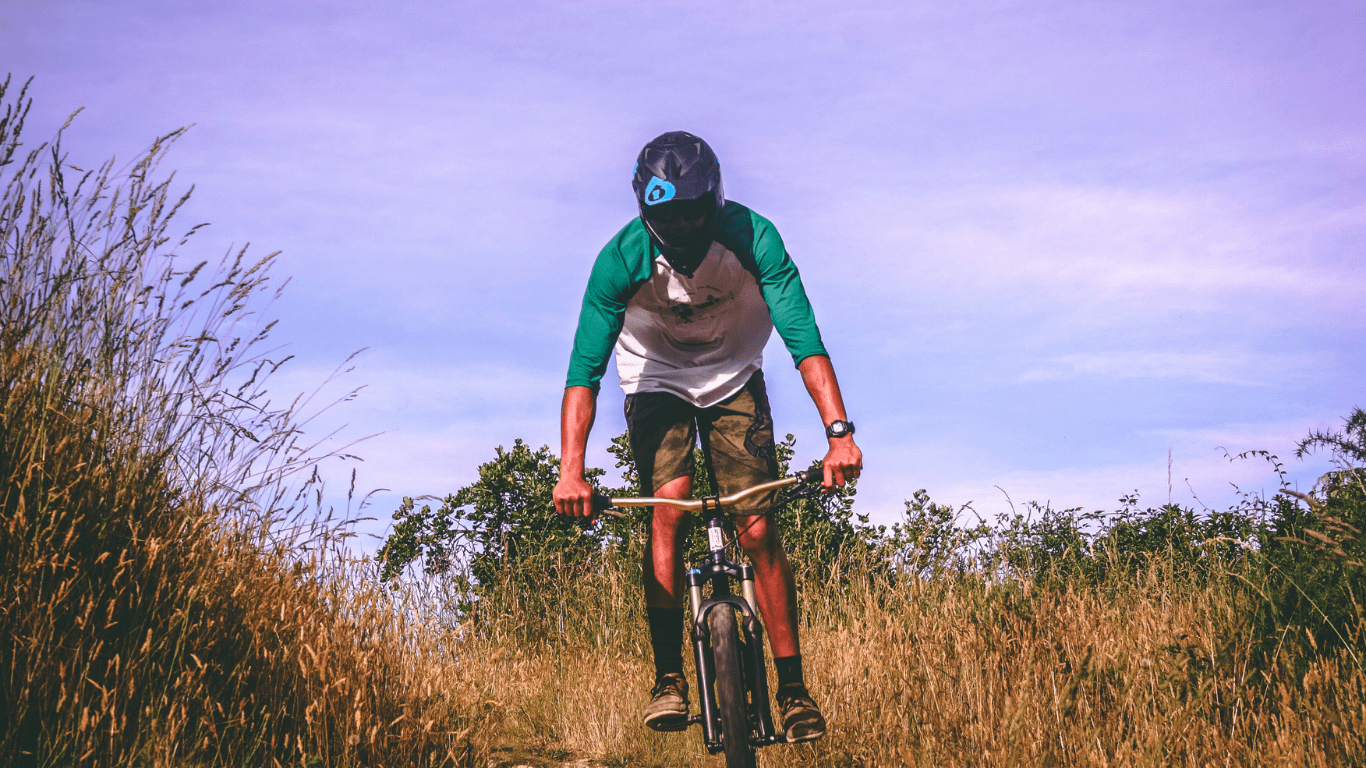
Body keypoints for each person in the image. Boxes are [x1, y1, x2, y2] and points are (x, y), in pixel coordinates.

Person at [553, 131, 862, 743]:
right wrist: (571, 471)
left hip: (733, 375)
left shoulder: (753, 238)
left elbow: (804, 337)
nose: (684, 222)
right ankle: (669, 679)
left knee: (758, 525)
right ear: (649, 212)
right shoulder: (620, 259)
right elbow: (582, 375)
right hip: (656, 377)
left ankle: (793, 689)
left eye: (693, 208)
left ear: (714, 199)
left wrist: (839, 434)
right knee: (667, 510)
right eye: (668, 213)